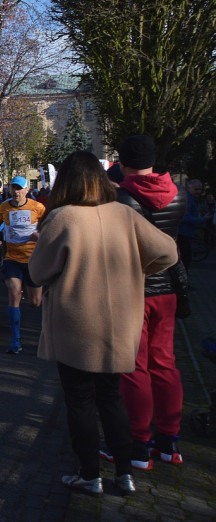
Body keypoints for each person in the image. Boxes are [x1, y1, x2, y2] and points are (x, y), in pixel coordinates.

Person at [29, 151, 178, 496]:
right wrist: (138, 271)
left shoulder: (62, 218)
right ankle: (124, 473)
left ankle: (89, 473)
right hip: (118, 322)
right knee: (111, 398)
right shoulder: (125, 214)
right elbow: (168, 252)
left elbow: (37, 273)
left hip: (75, 323)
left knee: (80, 401)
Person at [109, 134, 189, 468]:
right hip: (168, 286)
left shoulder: (122, 201)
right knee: (165, 363)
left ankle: (138, 444)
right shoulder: (179, 195)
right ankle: (169, 440)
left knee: (134, 367)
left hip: (135, 289)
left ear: (123, 162)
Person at [0, 176, 46, 354]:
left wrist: (40, 236)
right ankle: (15, 341)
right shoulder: (4, 207)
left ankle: (48, 323)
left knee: (35, 302)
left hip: (32, 259)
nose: (16, 192)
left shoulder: (38, 208)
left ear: (26, 190)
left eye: (19, 188)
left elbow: (49, 228)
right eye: (13, 188)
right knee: (14, 293)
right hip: (12, 258)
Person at [177, 178, 209, 272]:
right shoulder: (188, 199)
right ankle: (182, 283)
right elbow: (185, 218)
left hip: (186, 232)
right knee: (185, 258)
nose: (198, 192)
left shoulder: (193, 199)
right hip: (182, 233)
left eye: (200, 189)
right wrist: (202, 219)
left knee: (186, 258)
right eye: (196, 189)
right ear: (189, 188)